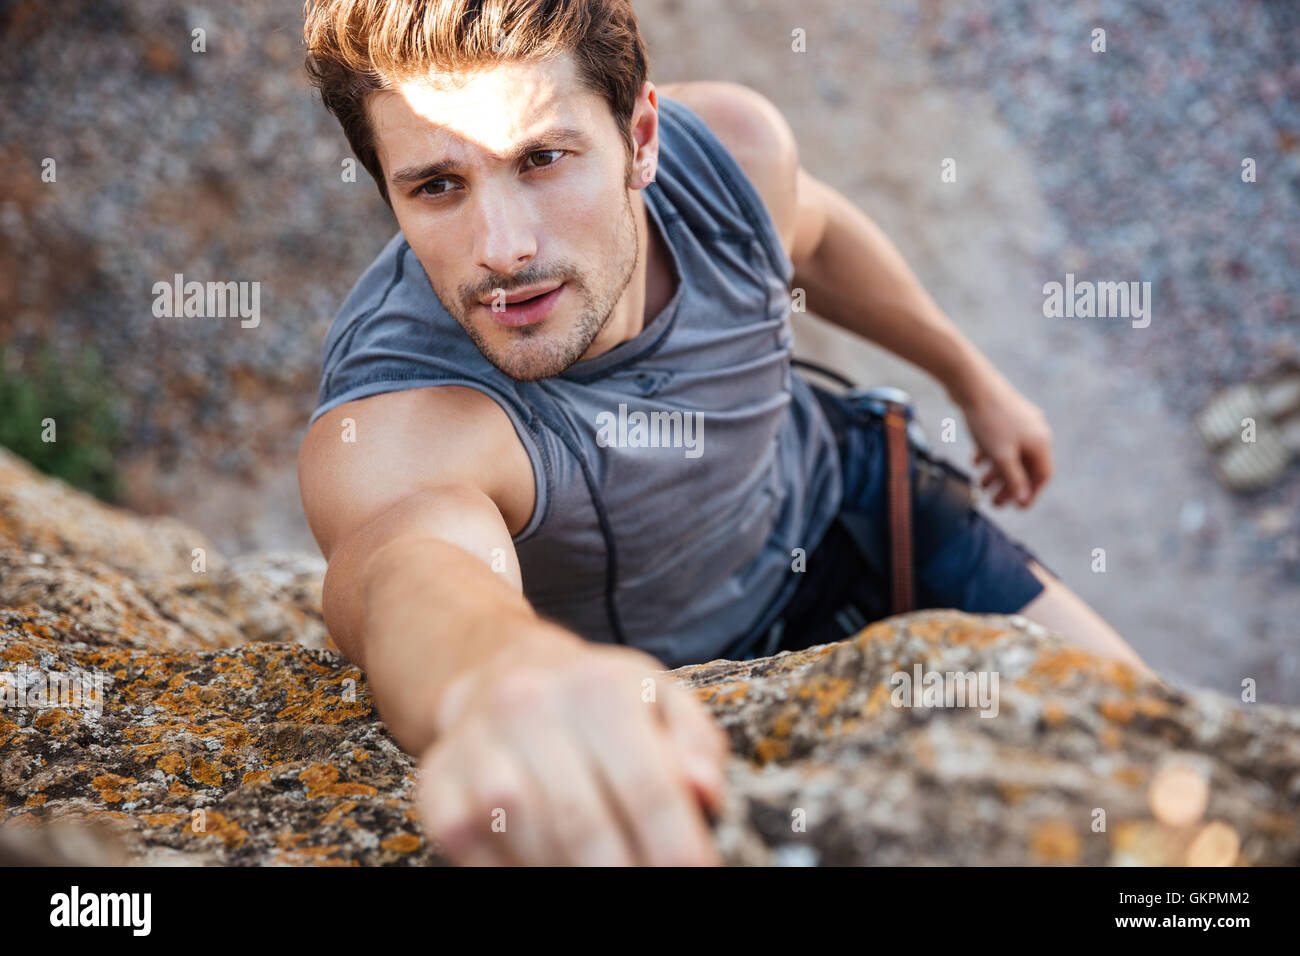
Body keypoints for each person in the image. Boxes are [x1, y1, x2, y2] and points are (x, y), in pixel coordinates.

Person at [297, 0, 1155, 866]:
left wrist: (974, 381)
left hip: (854, 506)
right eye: (437, 185)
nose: (502, 248)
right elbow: (403, 568)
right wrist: (497, 674)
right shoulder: (400, 418)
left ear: (641, 140)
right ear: (388, 192)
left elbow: (811, 238)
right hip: (698, 678)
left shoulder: (730, 152)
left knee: (1157, 754)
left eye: (543, 159)